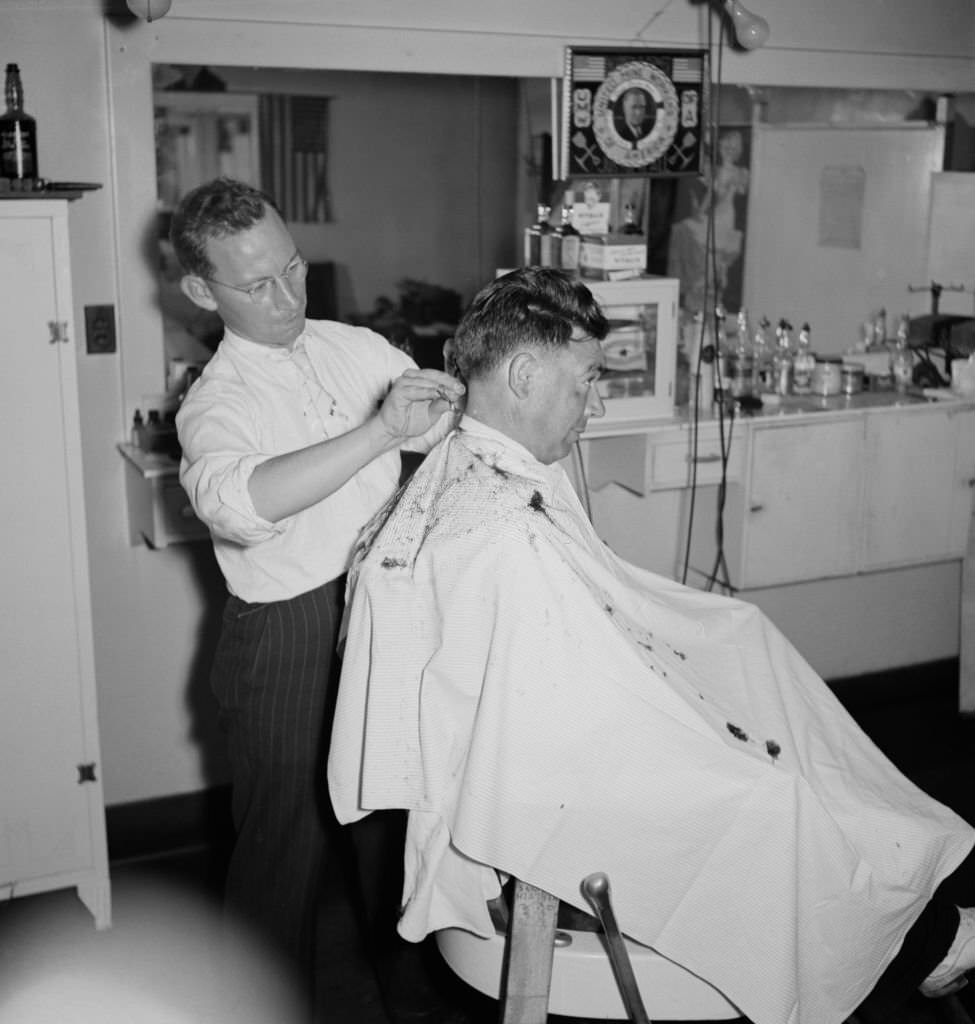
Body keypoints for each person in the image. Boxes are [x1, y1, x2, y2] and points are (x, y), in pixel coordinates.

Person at [328, 267, 975, 1024]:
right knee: (775, 794)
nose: (596, 403)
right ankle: (917, 948)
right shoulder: (492, 526)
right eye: (589, 381)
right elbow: (565, 716)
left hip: (553, 736)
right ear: (525, 373)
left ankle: (915, 927)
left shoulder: (482, 468)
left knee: (745, 648)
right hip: (537, 785)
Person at [171, 176, 464, 1018]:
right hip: (289, 634)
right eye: (257, 284)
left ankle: (405, 1002)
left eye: (293, 268)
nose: (288, 295)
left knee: (390, 830)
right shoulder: (217, 401)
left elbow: (440, 421)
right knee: (284, 852)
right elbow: (236, 501)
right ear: (201, 290)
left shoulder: (353, 345)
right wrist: (379, 432)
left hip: (384, 607)